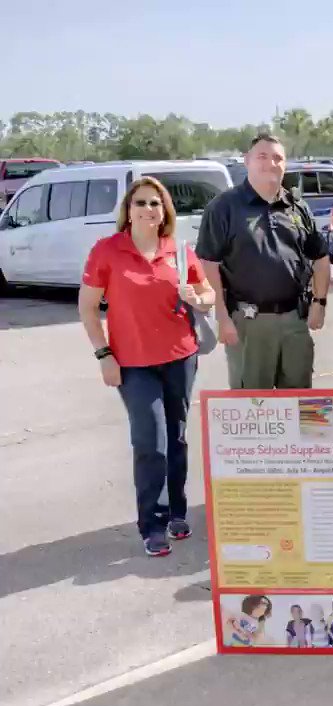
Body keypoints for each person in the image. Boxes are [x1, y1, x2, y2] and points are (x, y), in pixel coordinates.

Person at [78, 177, 215, 557]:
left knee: (178, 438)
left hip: (180, 357)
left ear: (164, 210)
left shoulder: (179, 250)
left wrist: (198, 297)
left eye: (155, 203)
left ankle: (176, 511)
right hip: (133, 364)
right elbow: (87, 309)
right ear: (128, 209)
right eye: (140, 203)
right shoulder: (107, 251)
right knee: (150, 443)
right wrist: (104, 355)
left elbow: (208, 294)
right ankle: (151, 524)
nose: (148, 209)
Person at [196, 132, 331, 390]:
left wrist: (320, 301)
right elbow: (209, 265)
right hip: (249, 323)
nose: (271, 163)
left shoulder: (296, 206)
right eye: (262, 156)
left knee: (299, 404)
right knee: (254, 408)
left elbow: (321, 257)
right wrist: (222, 318)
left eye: (278, 158)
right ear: (247, 160)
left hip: (295, 321)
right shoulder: (224, 207)